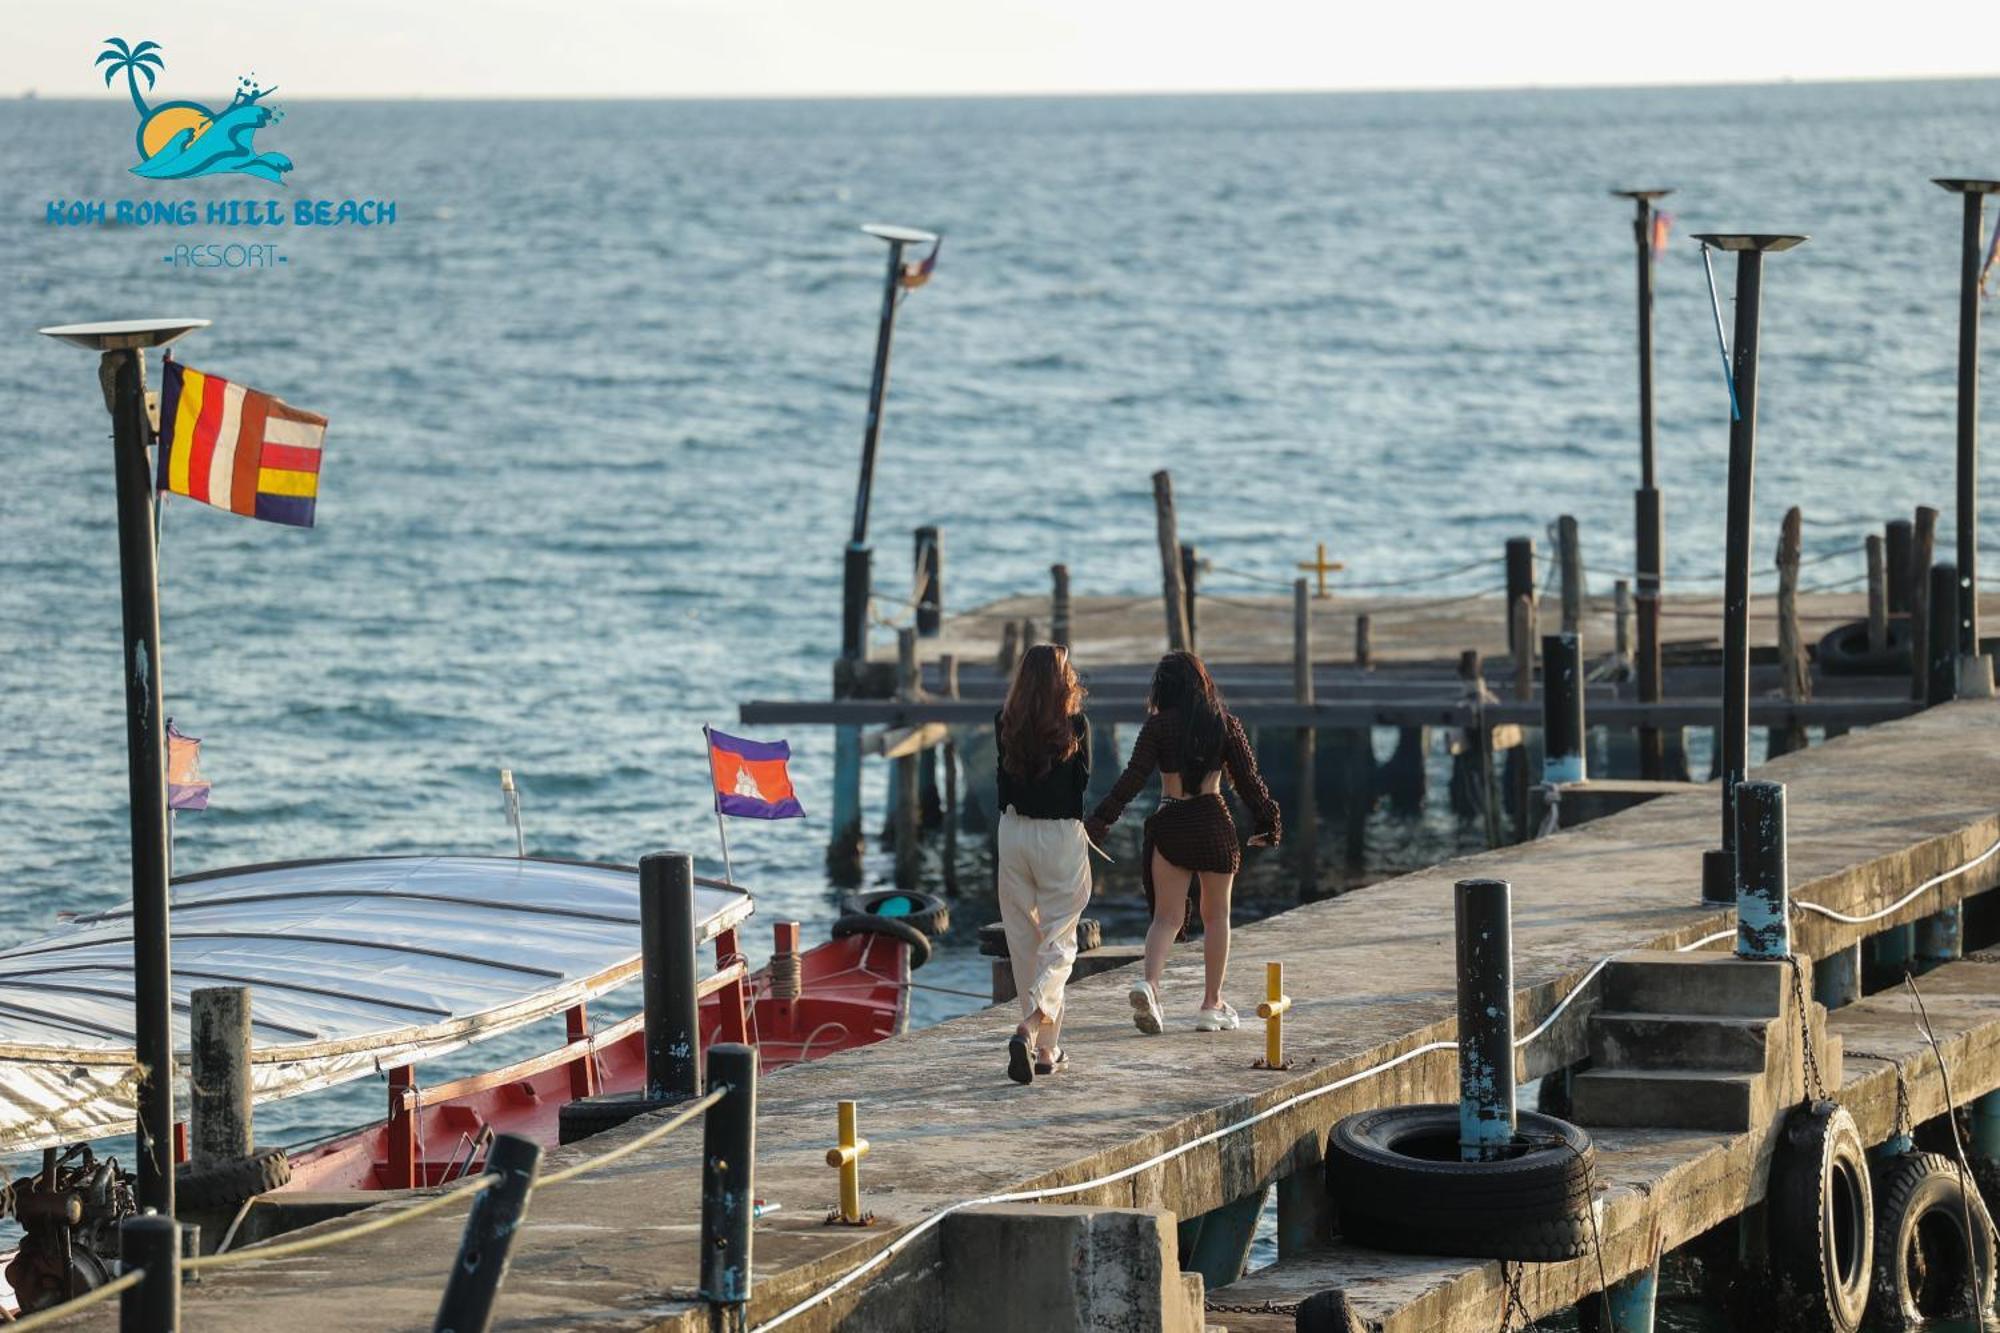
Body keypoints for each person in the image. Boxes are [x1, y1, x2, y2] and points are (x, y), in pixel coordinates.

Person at [1085, 651, 1279, 1035]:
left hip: (1171, 820)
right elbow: (1249, 780)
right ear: (1202, 684)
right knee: (1217, 917)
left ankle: (1151, 987)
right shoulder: (1225, 723)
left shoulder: (1157, 728)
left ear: (1163, 689)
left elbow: (1133, 778)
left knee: (1166, 918)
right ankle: (1212, 1004)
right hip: (1213, 822)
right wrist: (1268, 821)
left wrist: (1100, 820)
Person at [993, 643, 1094, 1084]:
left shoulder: (1005, 722)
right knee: (1060, 941)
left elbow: (1002, 783)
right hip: (1059, 836)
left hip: (1013, 832)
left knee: (1023, 944)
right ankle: (1031, 1026)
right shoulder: (1074, 725)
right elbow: (1081, 786)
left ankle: (1047, 1051)